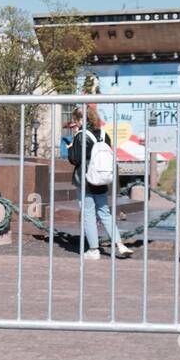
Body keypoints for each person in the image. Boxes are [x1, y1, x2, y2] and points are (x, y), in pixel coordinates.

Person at [67, 106, 132, 261]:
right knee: (105, 212)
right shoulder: (104, 134)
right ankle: (120, 244)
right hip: (102, 179)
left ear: (81, 120)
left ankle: (94, 250)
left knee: (88, 213)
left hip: (86, 179)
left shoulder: (81, 136)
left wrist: (70, 148)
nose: (75, 123)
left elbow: (75, 159)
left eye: (76, 120)